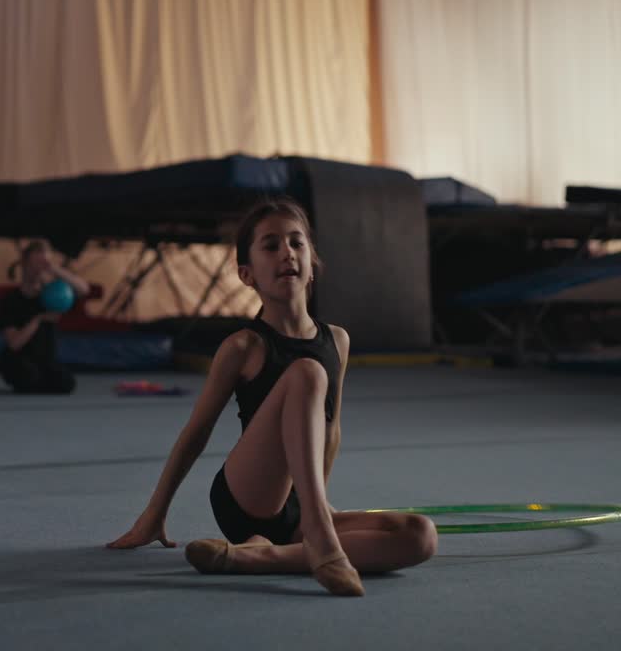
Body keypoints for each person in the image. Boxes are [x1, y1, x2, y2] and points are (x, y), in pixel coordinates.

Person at [107, 199, 437, 595]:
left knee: (420, 534)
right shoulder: (243, 347)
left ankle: (264, 556)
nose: (287, 253)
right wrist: (153, 514)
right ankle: (314, 538)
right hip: (248, 497)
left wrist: (318, 500)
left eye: (297, 244)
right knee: (307, 373)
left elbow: (330, 430)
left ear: (312, 262)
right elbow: (196, 433)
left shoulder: (337, 340)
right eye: (271, 246)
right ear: (247, 275)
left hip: (301, 505)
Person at [0, 239, 89, 394]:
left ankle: (41, 380)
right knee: (29, 375)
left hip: (44, 360)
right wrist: (38, 319)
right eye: (36, 263)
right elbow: (14, 343)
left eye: (44, 263)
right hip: (18, 359)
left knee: (66, 383)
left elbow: (83, 289)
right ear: (25, 263)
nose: (40, 268)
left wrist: (54, 269)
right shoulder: (11, 299)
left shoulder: (53, 296)